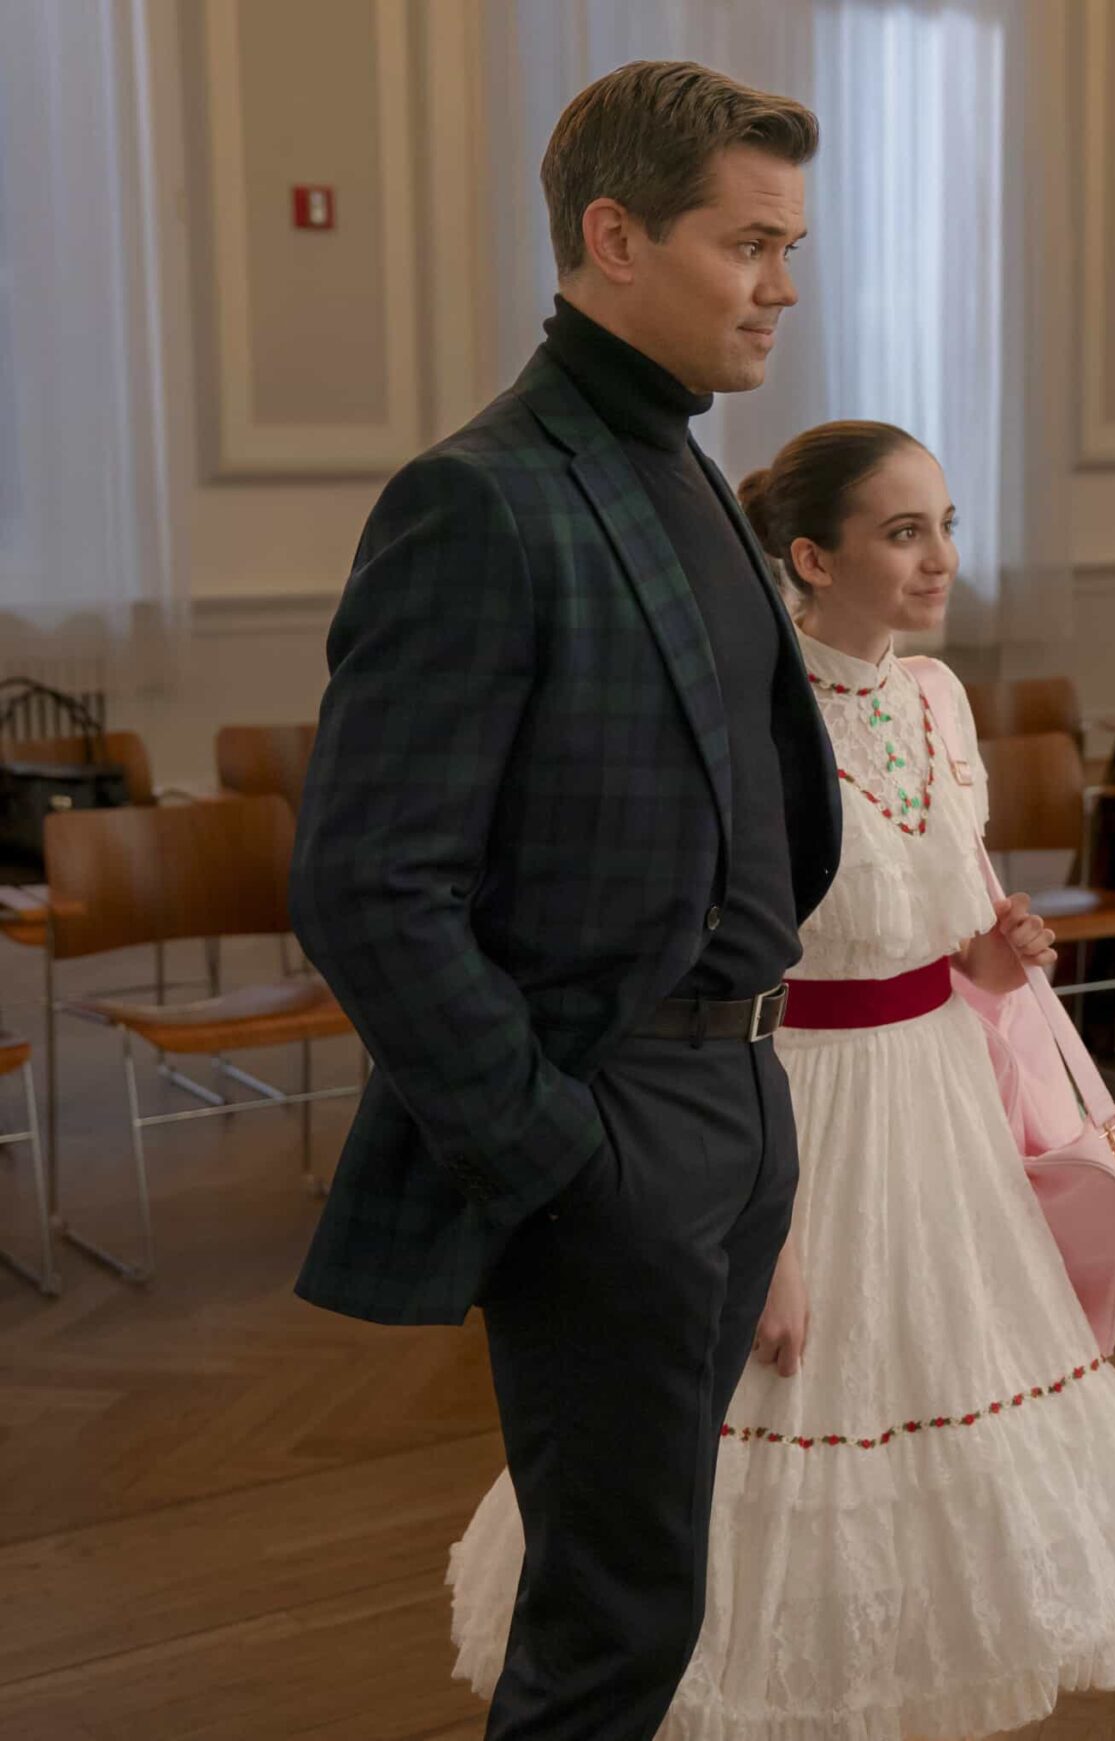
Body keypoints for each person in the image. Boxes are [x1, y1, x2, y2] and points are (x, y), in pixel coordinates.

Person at [448, 422, 1115, 1736]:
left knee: (939, 1401)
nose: (942, 559)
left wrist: (993, 957)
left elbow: (928, 937)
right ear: (809, 556)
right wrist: (768, 1231)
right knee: (762, 1404)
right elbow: (743, 970)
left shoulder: (939, 697)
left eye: (948, 525)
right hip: (786, 1095)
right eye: (905, 532)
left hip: (937, 1104)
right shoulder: (747, 717)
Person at [290, 62, 840, 1738]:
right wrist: (551, 1150)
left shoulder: (681, 468)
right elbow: (367, 881)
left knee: (654, 1581)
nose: (782, 285)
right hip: (616, 1119)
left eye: (789, 244)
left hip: (734, 1093)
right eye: (749, 244)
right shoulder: (484, 496)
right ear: (614, 235)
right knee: (611, 1621)